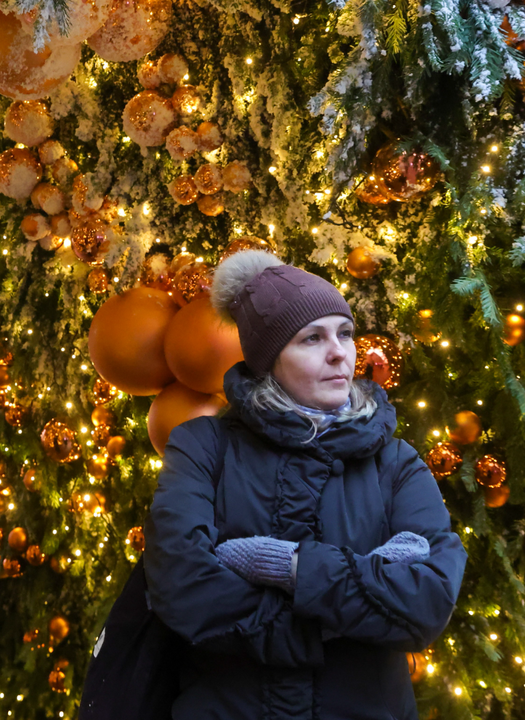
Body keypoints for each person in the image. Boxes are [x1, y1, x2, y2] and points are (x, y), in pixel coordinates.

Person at [144, 251, 467, 720]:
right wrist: (355, 592)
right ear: (268, 361)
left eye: (345, 333)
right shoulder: (202, 448)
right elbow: (182, 585)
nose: (340, 352)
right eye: (311, 338)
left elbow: (428, 601)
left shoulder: (395, 463)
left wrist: (291, 568)